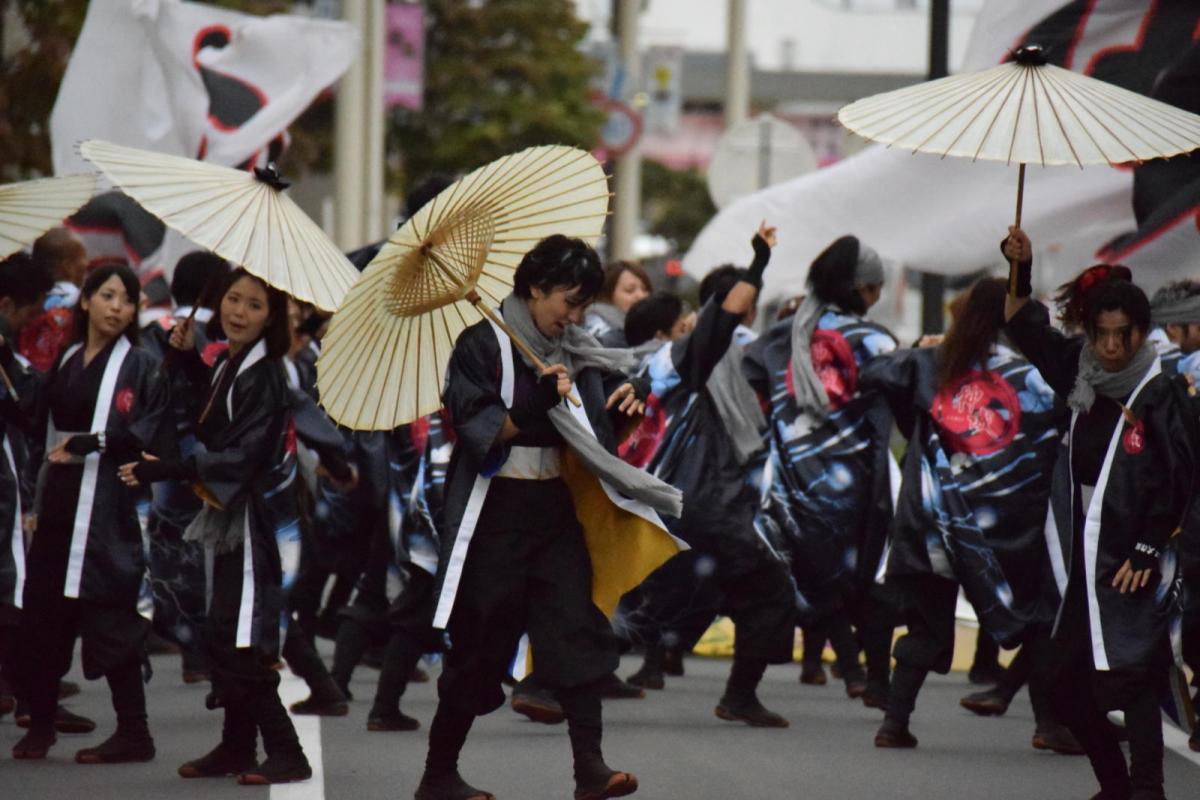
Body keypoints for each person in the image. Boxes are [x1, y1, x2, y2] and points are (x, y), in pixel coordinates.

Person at [415, 235, 682, 800]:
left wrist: (624, 404)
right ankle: (438, 775)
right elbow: (477, 430)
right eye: (568, 300)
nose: (576, 316)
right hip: (494, 514)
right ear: (534, 287)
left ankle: (591, 768)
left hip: (554, 508)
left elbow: (594, 436)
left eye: (585, 304)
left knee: (577, 629)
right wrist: (534, 401)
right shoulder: (479, 344)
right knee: (478, 649)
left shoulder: (574, 349)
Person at [121, 268, 352, 785]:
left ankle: (285, 751)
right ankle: (236, 746)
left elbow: (240, 452)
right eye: (232, 299)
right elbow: (216, 416)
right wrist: (184, 356)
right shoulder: (233, 362)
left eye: (253, 304)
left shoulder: (266, 371)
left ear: (272, 317)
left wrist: (167, 468)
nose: (238, 311)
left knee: (236, 637)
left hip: (256, 521)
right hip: (234, 517)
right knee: (226, 631)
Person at [1003, 226, 1197, 800]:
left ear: (1142, 333)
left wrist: (1148, 546)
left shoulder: (1162, 392)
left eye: (1124, 335)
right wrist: (1022, 266)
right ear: (1089, 332)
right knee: (1063, 687)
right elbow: (1021, 322)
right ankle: (1114, 785)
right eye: (1103, 334)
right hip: (1077, 552)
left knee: (1132, 675)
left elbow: (1181, 477)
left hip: (1132, 552)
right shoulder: (1079, 368)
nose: (1112, 346)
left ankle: (1145, 790)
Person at [859, 277, 1077, 753]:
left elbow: (873, 373)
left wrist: (915, 403)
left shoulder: (933, 365)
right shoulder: (1035, 377)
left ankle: (893, 723)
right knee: (1041, 617)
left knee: (926, 627)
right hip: (1007, 527)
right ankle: (1048, 724)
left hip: (933, 523)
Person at [617, 226, 797, 726]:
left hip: (677, 503)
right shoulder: (687, 357)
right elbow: (727, 314)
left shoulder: (663, 361)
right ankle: (739, 695)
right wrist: (758, 264)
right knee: (768, 590)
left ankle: (559, 678)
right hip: (704, 503)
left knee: (677, 596)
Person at [10, 264, 171, 762]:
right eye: (106, 295)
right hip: (60, 501)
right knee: (42, 613)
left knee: (112, 612)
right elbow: (36, 414)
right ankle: (40, 723)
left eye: (126, 298)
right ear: (85, 301)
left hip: (107, 507)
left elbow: (148, 428)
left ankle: (134, 732)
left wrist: (95, 441)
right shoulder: (69, 357)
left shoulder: (141, 364)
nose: (117, 307)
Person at [744, 234, 899, 709]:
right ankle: (870, 678)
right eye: (876, 290)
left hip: (792, 478)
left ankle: (852, 670)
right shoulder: (874, 340)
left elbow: (751, 378)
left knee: (817, 575)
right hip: (854, 481)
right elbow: (900, 393)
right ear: (865, 289)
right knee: (866, 579)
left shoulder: (784, 333)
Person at [19, 227, 89, 372]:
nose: (87, 263)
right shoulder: (79, 300)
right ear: (67, 266)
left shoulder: (26, 301)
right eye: (83, 257)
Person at [583, 262, 652, 347]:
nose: (641, 296)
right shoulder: (599, 330)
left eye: (645, 289)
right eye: (630, 290)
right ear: (607, 295)